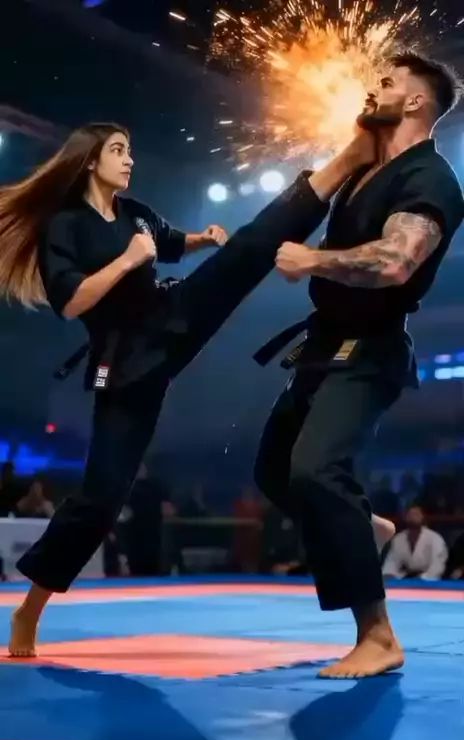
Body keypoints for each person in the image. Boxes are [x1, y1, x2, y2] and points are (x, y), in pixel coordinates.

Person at [0, 122, 373, 656]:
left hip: (173, 316)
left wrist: (205, 238)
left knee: (247, 250)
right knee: (99, 503)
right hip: (126, 362)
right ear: (89, 161)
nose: (129, 160)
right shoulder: (65, 226)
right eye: (118, 151)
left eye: (130, 149)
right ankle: (29, 611)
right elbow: (72, 301)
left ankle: (345, 162)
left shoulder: (134, 213)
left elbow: (172, 243)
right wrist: (128, 260)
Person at [254, 52, 464, 678]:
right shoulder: (367, 172)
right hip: (325, 343)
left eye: (388, 82)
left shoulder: (430, 177)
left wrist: (313, 262)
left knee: (317, 469)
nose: (374, 88)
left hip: (372, 347)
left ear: (417, 102)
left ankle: (378, 635)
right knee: (274, 472)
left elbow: (396, 262)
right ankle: (363, 525)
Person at [382, 504, 448, 580]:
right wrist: (388, 575)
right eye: (409, 514)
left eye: (416, 514)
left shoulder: (435, 538)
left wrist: (422, 579)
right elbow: (392, 561)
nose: (412, 517)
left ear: (423, 517)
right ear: (405, 517)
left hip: (429, 580)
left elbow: (438, 565)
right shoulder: (399, 539)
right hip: (406, 579)